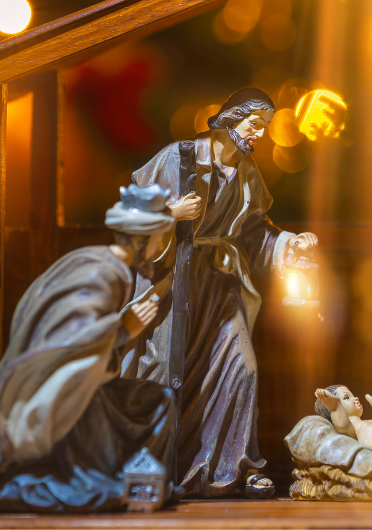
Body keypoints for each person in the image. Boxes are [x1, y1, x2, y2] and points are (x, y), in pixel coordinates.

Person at [0, 185, 178, 512]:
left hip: (86, 384)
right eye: (158, 240)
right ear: (140, 239)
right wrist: (123, 330)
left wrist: (119, 330)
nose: (159, 248)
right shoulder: (103, 273)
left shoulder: (103, 264)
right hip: (66, 397)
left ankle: (138, 479)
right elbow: (71, 341)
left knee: (159, 400)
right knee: (92, 486)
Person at [123, 87, 317, 498]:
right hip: (173, 282)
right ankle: (149, 468)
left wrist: (290, 245)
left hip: (220, 286)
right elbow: (130, 216)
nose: (260, 134)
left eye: (265, 126)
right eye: (254, 124)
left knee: (241, 366)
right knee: (162, 369)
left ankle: (235, 466)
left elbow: (255, 233)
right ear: (230, 120)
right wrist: (170, 214)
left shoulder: (246, 172)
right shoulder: (179, 158)